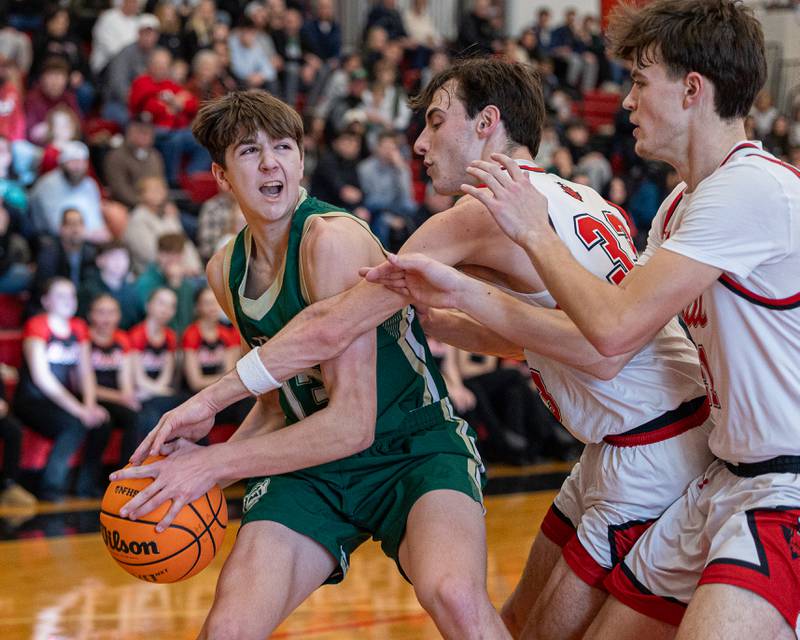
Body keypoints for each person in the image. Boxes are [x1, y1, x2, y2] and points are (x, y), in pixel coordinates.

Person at [118, 61, 712, 640]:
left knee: (497, 611)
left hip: (623, 447)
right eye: (249, 152)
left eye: (434, 121)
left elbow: (335, 326)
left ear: (486, 124)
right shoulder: (570, 195)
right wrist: (449, 319)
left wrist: (210, 418)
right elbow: (553, 337)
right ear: (222, 176)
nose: (420, 142)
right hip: (627, 439)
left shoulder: (465, 216)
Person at [444, 3, 800, 640]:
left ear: (692, 89)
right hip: (722, 478)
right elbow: (598, 338)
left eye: (639, 81)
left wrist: (530, 231)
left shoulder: (751, 189)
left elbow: (611, 330)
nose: (626, 101)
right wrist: (452, 311)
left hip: (787, 485)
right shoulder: (674, 210)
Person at [112, 89, 501, 640]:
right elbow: (280, 400)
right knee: (227, 629)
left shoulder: (331, 239)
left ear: (300, 161)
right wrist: (209, 457)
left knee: (454, 594)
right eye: (249, 152)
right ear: (221, 177)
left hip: (412, 446)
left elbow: (352, 423)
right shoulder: (226, 269)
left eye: (284, 148)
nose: (271, 163)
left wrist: (215, 467)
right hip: (315, 465)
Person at [14, 278, 110, 501]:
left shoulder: (78, 326)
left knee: (102, 422)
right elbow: (42, 378)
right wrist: (80, 411)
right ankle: (50, 487)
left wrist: (90, 405)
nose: (69, 300)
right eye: (61, 295)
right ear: (46, 301)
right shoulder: (37, 325)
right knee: (73, 424)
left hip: (63, 398)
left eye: (72, 295)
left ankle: (86, 485)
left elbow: (86, 372)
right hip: (32, 400)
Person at [181, 287, 253, 427]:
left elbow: (231, 373)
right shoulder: (191, 334)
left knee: (249, 404)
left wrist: (227, 380)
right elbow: (195, 382)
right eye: (207, 303)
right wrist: (225, 379)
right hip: (198, 396)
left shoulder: (228, 334)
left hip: (222, 394)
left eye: (215, 302)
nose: (213, 307)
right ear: (198, 307)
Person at [87, 293, 141, 463]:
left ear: (118, 315)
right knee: (103, 423)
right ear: (91, 315)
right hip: (89, 396)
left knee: (137, 417)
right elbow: (80, 384)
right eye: (101, 312)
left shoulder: (122, 338)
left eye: (111, 312)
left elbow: (125, 378)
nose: (107, 318)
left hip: (114, 398)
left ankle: (127, 472)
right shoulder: (84, 338)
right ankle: (86, 483)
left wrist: (127, 397)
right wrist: (121, 397)